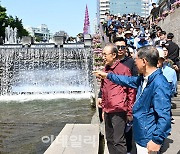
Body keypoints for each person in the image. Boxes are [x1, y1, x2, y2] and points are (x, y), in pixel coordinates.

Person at [94, 45, 171, 154]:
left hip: (148, 138)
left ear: (144, 61)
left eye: (136, 60)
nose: (135, 63)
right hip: (140, 133)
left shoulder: (159, 83)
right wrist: (107, 75)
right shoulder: (143, 79)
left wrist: (156, 140)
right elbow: (126, 80)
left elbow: (164, 116)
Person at [98, 43, 136, 154]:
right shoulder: (106, 69)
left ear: (114, 55)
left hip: (119, 109)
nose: (103, 57)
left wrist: (130, 111)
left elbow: (131, 91)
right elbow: (104, 89)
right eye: (102, 54)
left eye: (105, 54)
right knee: (109, 139)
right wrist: (103, 109)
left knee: (119, 140)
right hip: (108, 109)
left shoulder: (123, 69)